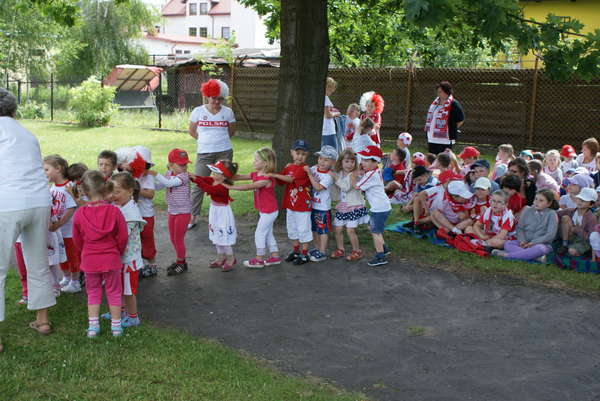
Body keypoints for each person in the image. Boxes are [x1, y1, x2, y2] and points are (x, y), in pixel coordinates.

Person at [0, 88, 56, 349]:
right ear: (13, 110)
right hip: (39, 201)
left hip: (7, 203)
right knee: (38, 262)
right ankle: (42, 320)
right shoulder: (28, 134)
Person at [72, 171, 128, 338]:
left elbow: (76, 240)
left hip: (90, 259)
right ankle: (116, 327)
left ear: (84, 191)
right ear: (105, 189)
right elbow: (123, 236)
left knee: (93, 291)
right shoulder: (115, 211)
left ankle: (93, 327)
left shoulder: (79, 214)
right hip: (111, 258)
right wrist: (117, 251)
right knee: (114, 291)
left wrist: (85, 252)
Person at [188, 79, 236, 230]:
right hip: (204, 153)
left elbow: (231, 132)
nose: (216, 101)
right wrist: (205, 141)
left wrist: (219, 141)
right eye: (214, 98)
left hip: (224, 152)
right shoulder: (198, 111)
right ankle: (193, 216)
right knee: (198, 183)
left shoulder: (228, 112)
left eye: (220, 98)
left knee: (223, 183)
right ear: (207, 96)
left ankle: (222, 214)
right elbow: (192, 131)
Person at [226, 148, 280, 269]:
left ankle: (259, 259)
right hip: (265, 211)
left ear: (265, 163)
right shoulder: (255, 174)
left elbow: (248, 186)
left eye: (256, 160)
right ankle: (275, 256)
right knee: (268, 234)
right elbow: (238, 177)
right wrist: (225, 174)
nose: (253, 162)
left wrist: (230, 187)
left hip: (269, 211)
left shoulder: (266, 179)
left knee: (259, 233)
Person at [107, 173, 145, 328]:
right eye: (111, 191)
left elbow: (122, 235)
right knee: (119, 287)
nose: (113, 195)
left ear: (130, 191)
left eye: (117, 192)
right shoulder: (119, 206)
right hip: (120, 257)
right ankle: (120, 312)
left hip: (129, 260)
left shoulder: (131, 212)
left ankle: (133, 317)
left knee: (128, 291)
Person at [149, 149, 192, 275]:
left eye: (185, 164)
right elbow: (159, 186)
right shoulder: (168, 173)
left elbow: (169, 183)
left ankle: (181, 263)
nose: (184, 167)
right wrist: (147, 181)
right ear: (171, 165)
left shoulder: (184, 176)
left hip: (183, 212)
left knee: (178, 239)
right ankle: (179, 260)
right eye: (181, 164)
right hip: (172, 211)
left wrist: (155, 173)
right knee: (173, 238)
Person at [191, 160, 239, 272]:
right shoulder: (214, 180)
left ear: (223, 176)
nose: (212, 173)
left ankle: (231, 258)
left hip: (223, 213)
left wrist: (197, 180)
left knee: (224, 237)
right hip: (215, 211)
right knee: (216, 234)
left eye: (216, 172)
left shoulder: (222, 186)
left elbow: (208, 189)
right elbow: (204, 179)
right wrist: (193, 177)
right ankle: (221, 257)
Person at [271, 140, 312, 265]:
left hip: (302, 206)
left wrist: (273, 174)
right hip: (291, 205)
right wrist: (281, 171)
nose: (300, 156)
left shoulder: (304, 169)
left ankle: (304, 254)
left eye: (303, 154)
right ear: (292, 152)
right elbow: (281, 182)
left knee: (303, 230)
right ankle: (296, 251)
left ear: (307, 155)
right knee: (292, 229)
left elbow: (289, 179)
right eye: (297, 153)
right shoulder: (289, 167)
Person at [43, 155, 81, 294]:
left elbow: (71, 209)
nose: (44, 173)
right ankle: (66, 277)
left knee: (72, 256)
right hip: (57, 231)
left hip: (69, 231)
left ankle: (75, 282)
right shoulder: (52, 187)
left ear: (58, 168)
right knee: (61, 255)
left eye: (46, 169)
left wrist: (57, 224)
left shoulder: (68, 187)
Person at [493, 189, 559, 262]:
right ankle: (535, 257)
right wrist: (522, 241)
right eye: (536, 199)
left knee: (539, 249)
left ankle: (506, 255)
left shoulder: (552, 214)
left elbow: (550, 235)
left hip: (541, 244)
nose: (536, 202)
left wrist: (533, 243)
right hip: (524, 242)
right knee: (507, 244)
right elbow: (520, 228)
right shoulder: (527, 210)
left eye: (541, 200)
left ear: (548, 204)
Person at [355, 146, 392, 267]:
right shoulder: (373, 172)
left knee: (375, 232)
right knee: (373, 228)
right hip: (382, 206)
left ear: (375, 162)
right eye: (362, 159)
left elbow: (357, 187)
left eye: (366, 160)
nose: (362, 162)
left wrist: (352, 175)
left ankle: (380, 257)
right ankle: (384, 248)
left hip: (379, 208)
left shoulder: (371, 174)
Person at [330, 150, 369, 261]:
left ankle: (357, 251)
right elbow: (335, 188)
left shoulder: (354, 175)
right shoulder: (339, 173)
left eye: (352, 162)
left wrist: (336, 178)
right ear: (341, 162)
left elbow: (346, 187)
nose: (349, 164)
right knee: (338, 229)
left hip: (353, 206)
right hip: (342, 206)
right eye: (346, 161)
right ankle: (340, 249)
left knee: (350, 230)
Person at [305, 145, 338, 262]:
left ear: (332, 163)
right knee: (314, 229)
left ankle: (322, 252)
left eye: (326, 160)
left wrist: (309, 174)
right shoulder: (314, 168)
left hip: (323, 208)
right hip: (312, 206)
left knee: (322, 230)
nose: (322, 162)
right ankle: (317, 248)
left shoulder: (329, 176)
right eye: (320, 158)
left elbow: (318, 187)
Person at [132, 146, 158, 278]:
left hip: (146, 214)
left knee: (147, 238)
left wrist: (136, 189)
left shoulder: (148, 177)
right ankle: (140, 264)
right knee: (135, 240)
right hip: (134, 214)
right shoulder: (130, 176)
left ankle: (152, 265)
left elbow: (150, 194)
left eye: (144, 166)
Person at [424, 81, 464, 154]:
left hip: (445, 139)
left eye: (440, 91)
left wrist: (451, 128)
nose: (438, 93)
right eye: (438, 91)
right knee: (432, 158)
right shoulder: (435, 103)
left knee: (444, 159)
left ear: (446, 92)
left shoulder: (454, 104)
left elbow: (460, 120)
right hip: (432, 138)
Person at [557, 187, 598, 256]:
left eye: (583, 201)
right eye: (579, 199)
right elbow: (557, 214)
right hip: (570, 237)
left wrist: (576, 229)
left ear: (591, 205)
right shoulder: (570, 211)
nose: (579, 202)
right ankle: (565, 244)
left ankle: (582, 249)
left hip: (582, 240)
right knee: (565, 218)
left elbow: (590, 237)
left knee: (572, 251)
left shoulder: (591, 218)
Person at [322, 77, 341, 149]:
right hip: (328, 130)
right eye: (331, 90)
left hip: (325, 130)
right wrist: (336, 114)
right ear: (327, 87)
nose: (331, 92)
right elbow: (327, 115)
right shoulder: (325, 98)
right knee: (332, 150)